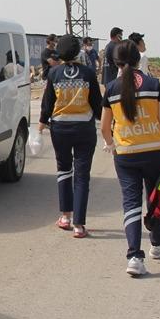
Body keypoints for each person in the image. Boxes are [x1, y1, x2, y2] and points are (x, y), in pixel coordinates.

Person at [101, 40, 160, 277]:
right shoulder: (154, 84)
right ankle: (157, 242)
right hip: (156, 152)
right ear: (139, 60)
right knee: (156, 199)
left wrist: (110, 145)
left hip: (126, 154)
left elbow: (105, 127)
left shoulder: (111, 88)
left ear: (115, 63)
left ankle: (134, 256)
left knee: (131, 203)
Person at [38, 35, 102, 239]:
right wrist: (109, 125)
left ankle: (65, 216)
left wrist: (40, 125)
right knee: (82, 176)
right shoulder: (88, 73)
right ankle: (79, 225)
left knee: (64, 170)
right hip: (84, 128)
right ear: (78, 53)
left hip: (60, 129)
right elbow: (97, 104)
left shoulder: (54, 74)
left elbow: (47, 103)